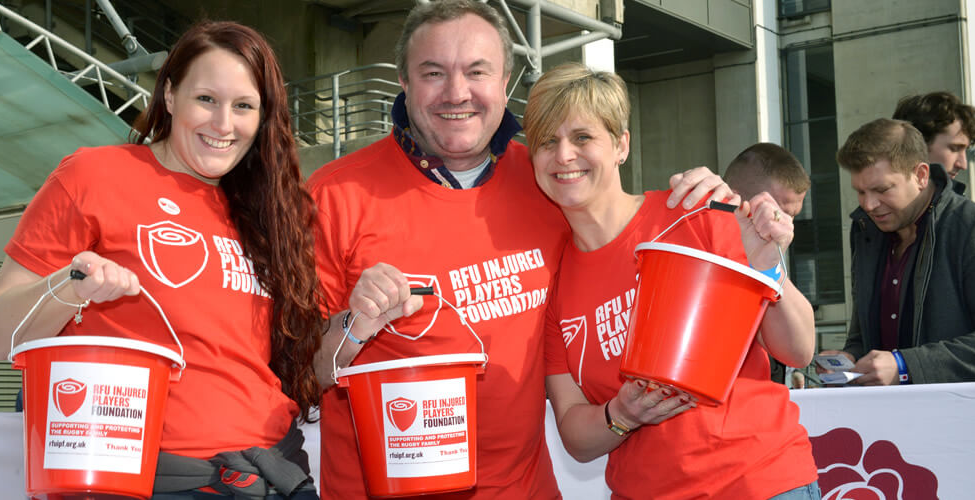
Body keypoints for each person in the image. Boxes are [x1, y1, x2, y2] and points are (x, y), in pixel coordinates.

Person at [307, 2, 734, 498]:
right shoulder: (332, 195)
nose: (457, 92)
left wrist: (710, 199)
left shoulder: (550, 179)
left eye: (477, 71)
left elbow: (627, 228)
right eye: (433, 73)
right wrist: (355, 324)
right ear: (404, 81)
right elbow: (300, 375)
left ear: (505, 81)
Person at [0, 21, 323, 499]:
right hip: (141, 479)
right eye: (206, 99)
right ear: (169, 95)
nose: (224, 124)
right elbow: (1, 335)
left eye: (243, 106)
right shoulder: (95, 175)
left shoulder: (270, 212)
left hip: (274, 472)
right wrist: (72, 286)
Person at [525, 64, 820, 498]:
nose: (564, 155)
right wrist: (622, 413)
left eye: (583, 137)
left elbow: (797, 349)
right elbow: (574, 432)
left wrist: (765, 264)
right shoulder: (553, 283)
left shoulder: (694, 211)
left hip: (759, 482)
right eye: (547, 142)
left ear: (621, 145)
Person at [822, 118, 975, 385]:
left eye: (882, 189)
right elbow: (864, 337)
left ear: (921, 176)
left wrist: (906, 366)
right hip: (887, 409)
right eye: (860, 191)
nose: (869, 204)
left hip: (959, 410)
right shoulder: (865, 231)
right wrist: (850, 360)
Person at [724, 143, 812, 385]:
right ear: (734, 199)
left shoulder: (769, 264)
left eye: (793, 217)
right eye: (778, 214)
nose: (787, 228)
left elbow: (801, 353)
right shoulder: (697, 251)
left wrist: (771, 269)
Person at [892, 91, 975, 193]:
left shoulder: (958, 203)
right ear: (917, 144)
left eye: (965, 150)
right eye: (954, 149)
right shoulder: (878, 200)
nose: (963, 165)